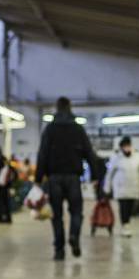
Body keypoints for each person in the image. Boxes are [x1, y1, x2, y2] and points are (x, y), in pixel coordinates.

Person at [34, 97, 99, 260]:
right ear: (70, 108)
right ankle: (74, 236)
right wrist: (95, 176)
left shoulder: (50, 129)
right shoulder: (78, 129)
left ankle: (59, 250)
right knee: (76, 211)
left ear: (56, 108)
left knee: (56, 215)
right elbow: (89, 153)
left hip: (54, 178)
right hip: (73, 178)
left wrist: (38, 178)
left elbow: (42, 154)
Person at [104, 136, 139, 237]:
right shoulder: (116, 158)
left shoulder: (137, 156)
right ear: (121, 147)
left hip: (133, 187)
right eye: (124, 146)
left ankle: (127, 224)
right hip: (121, 187)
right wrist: (107, 187)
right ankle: (125, 226)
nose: (127, 148)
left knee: (131, 207)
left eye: (128, 146)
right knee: (123, 207)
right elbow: (110, 173)